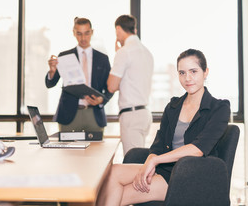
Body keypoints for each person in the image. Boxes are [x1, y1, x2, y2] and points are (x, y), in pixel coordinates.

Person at [97, 49, 230, 206]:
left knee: (120, 195)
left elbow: (198, 149)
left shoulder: (219, 108)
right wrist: (149, 162)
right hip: (166, 170)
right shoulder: (173, 106)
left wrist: (155, 161)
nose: (188, 78)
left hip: (192, 175)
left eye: (193, 71)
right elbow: (159, 145)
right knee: (112, 173)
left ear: (205, 72)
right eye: (182, 73)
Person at [45, 17, 113, 133]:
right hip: (68, 115)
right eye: (79, 34)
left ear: (92, 32)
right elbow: (50, 83)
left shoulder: (102, 59)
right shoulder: (64, 56)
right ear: (73, 33)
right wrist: (52, 71)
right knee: (66, 151)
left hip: (94, 114)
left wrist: (101, 99)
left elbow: (110, 88)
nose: (83, 38)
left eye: (86, 33)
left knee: (96, 151)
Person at [107, 14, 154, 155]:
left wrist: (117, 56)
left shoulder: (124, 52)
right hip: (145, 114)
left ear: (118, 30)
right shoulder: (147, 52)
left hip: (131, 115)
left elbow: (111, 86)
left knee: (133, 162)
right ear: (135, 30)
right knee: (139, 160)